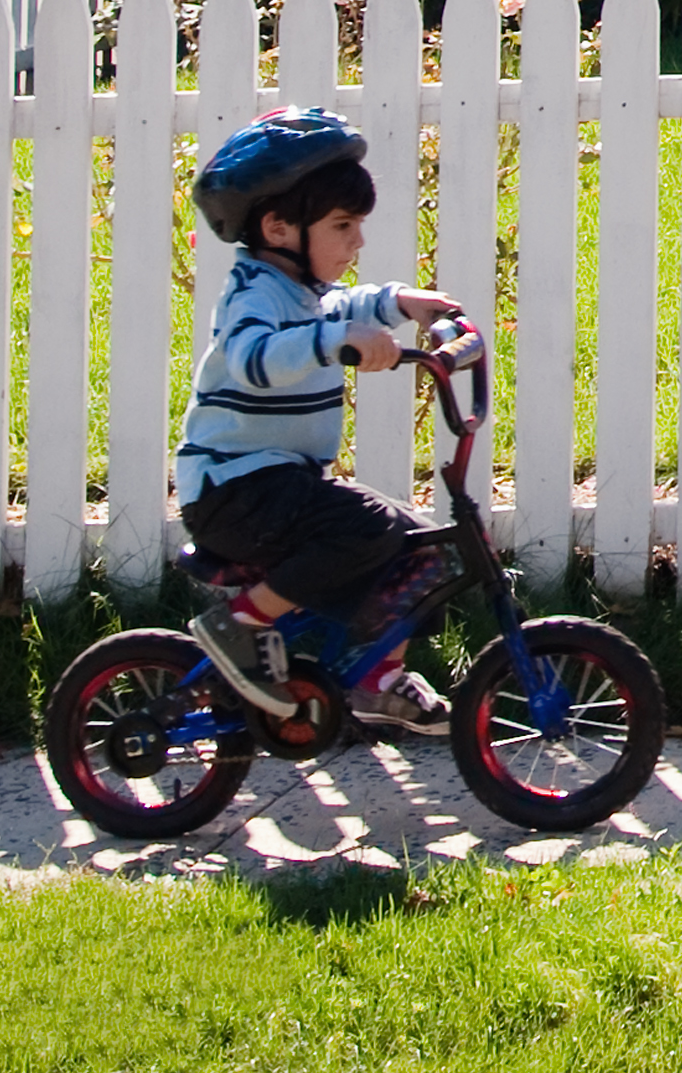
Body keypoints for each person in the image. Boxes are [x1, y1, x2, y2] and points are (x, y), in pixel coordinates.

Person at [178, 104, 470, 730]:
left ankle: (377, 675)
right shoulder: (253, 295)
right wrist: (331, 342)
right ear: (280, 226)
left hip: (281, 485)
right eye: (343, 225)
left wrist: (400, 302)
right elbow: (254, 358)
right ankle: (241, 624)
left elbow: (343, 301)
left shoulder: (302, 291)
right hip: (233, 490)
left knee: (419, 548)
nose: (357, 240)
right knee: (365, 525)